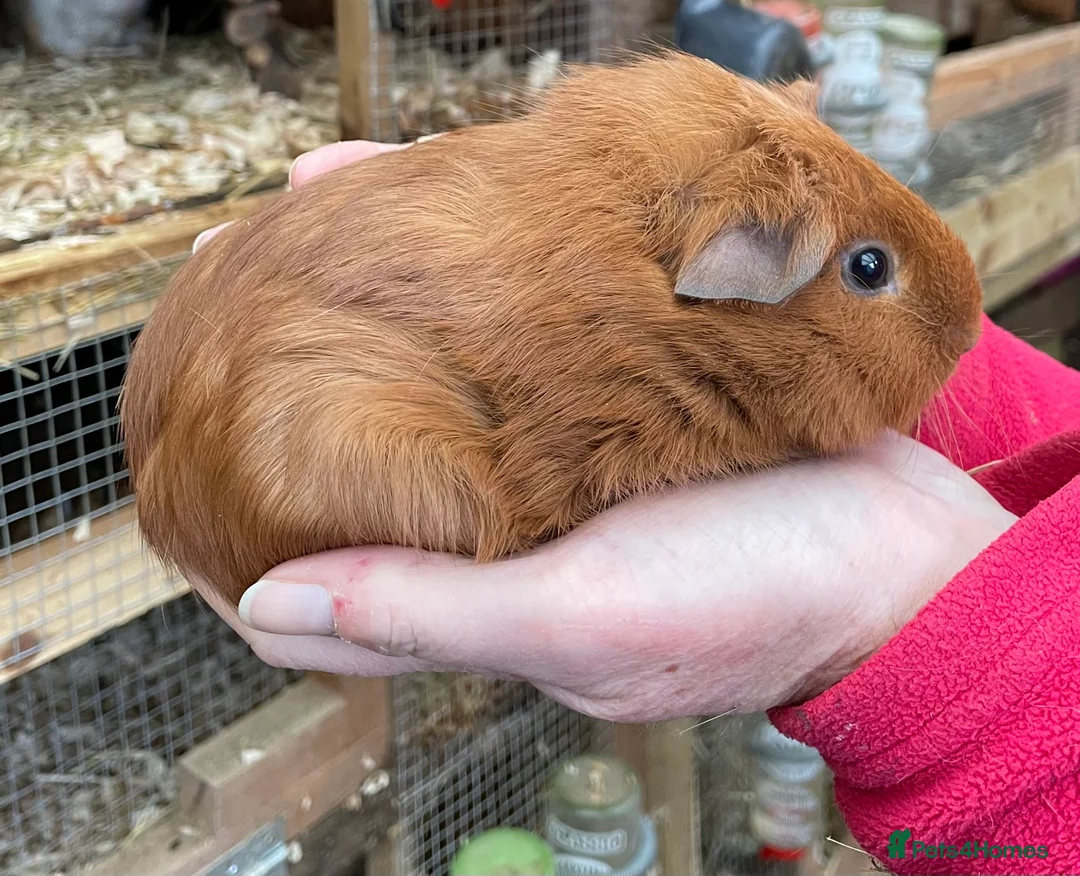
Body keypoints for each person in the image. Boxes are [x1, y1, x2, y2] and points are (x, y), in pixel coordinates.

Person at [188, 139, 1080, 875]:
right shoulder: (618, 364)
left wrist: (957, 634)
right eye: (873, 270)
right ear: (733, 269)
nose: (960, 341)